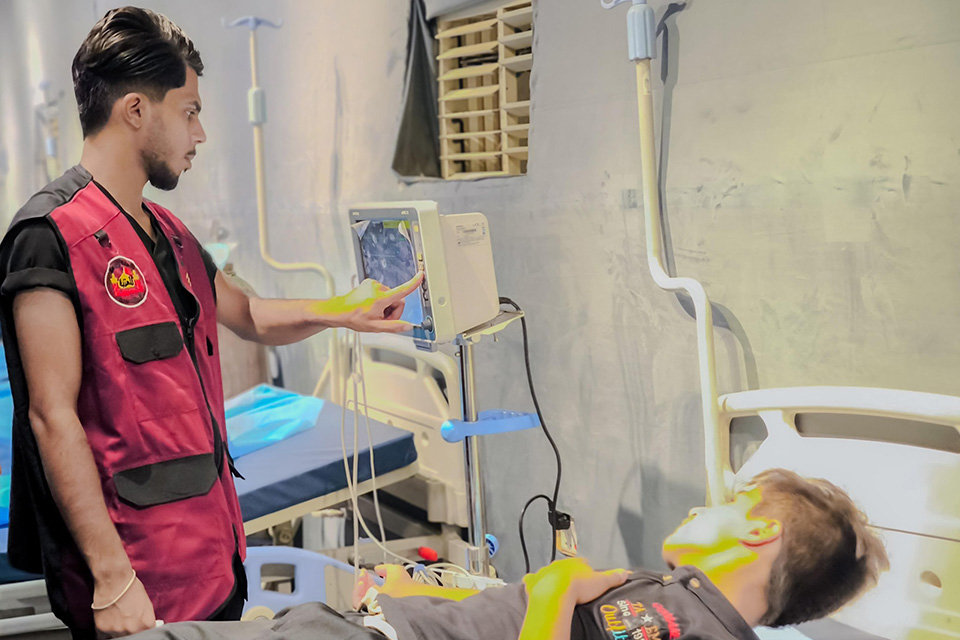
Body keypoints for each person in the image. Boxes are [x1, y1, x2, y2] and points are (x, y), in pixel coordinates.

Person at [0, 6, 422, 639]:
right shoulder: (50, 237)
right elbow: (50, 416)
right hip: (137, 582)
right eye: (190, 111)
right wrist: (112, 578)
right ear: (136, 110)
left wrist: (343, 310)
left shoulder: (168, 232)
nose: (200, 134)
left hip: (210, 562)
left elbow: (247, 313)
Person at [129, 468, 889, 640]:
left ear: (759, 535)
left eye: (727, 503)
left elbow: (549, 601)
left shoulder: (688, 629)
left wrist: (556, 586)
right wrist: (428, 592)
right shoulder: (673, 594)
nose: (699, 506)